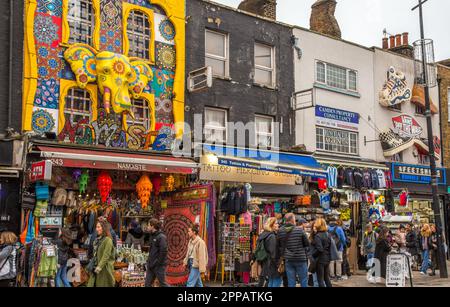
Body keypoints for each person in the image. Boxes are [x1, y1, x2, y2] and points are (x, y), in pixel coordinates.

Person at [277, 213, 310, 288]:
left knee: (291, 281)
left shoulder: (280, 230)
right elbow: (307, 243)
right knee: (303, 280)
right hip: (300, 258)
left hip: (288, 259)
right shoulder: (299, 230)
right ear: (292, 220)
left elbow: (279, 245)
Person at [87, 220, 116, 287]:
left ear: (104, 228)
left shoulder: (108, 240)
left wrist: (99, 267)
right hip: (96, 268)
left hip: (105, 270)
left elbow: (106, 256)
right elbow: (95, 254)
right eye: (96, 227)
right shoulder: (97, 240)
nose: (96, 229)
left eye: (98, 227)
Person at [257, 217, 281, 288]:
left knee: (270, 281)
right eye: (276, 223)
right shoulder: (272, 236)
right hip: (272, 263)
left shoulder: (264, 234)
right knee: (276, 280)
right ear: (271, 225)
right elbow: (273, 252)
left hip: (266, 262)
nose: (278, 225)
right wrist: (278, 265)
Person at [145, 219, 169, 287]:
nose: (147, 227)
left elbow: (163, 251)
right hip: (151, 265)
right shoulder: (152, 236)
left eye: (149, 225)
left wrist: (158, 263)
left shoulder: (161, 237)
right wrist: (149, 261)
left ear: (153, 226)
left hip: (159, 266)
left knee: (163, 284)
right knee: (147, 284)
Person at [311, 218, 332, 287]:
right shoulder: (328, 234)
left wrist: (313, 255)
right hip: (327, 258)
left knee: (320, 279)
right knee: (326, 278)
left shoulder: (318, 235)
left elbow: (320, 249)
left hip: (320, 260)